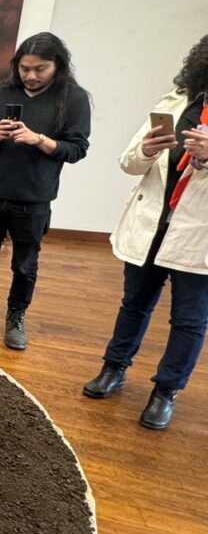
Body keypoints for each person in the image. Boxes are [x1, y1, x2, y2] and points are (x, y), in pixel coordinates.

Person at [82, 35, 208, 429]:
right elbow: (128, 163)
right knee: (134, 303)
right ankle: (114, 368)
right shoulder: (176, 101)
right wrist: (148, 149)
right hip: (153, 224)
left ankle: (165, 391)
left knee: (189, 320)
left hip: (199, 236)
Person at [0, 32, 91, 350]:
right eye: (24, 68)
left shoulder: (73, 99)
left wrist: (39, 139)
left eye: (40, 69)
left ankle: (15, 317)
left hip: (34, 198)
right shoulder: (0, 95)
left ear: (58, 66)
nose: (30, 75)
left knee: (25, 264)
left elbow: (77, 149)